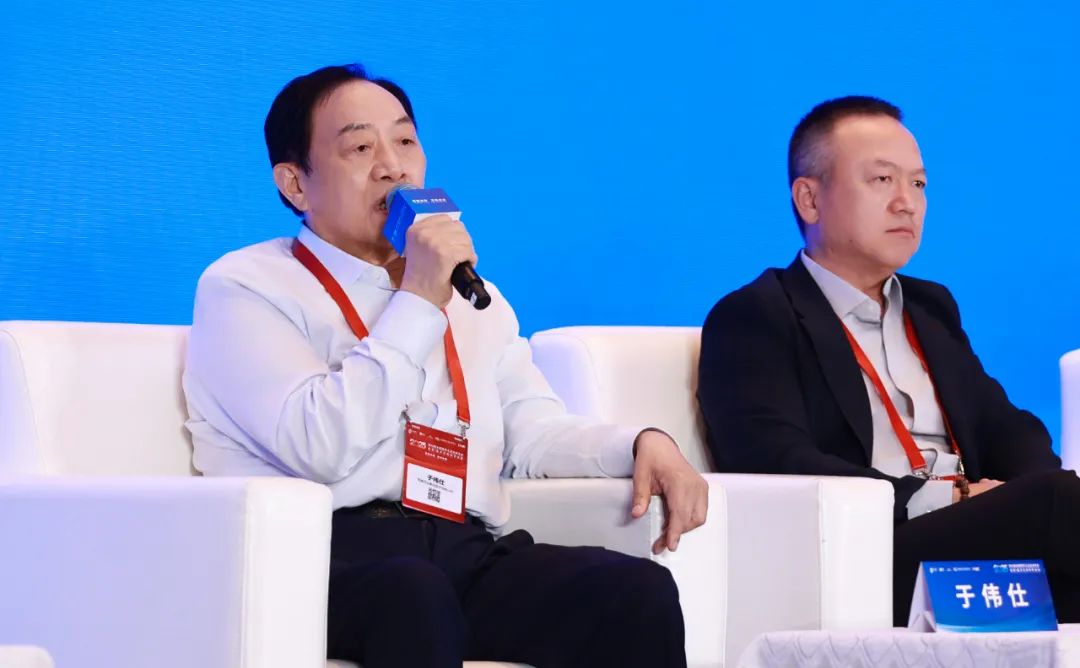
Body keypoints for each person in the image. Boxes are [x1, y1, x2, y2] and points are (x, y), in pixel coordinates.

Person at [183, 63, 708, 668]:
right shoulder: (246, 287)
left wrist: (640, 443)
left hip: (461, 546)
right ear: (296, 184)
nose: (393, 166)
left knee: (633, 593)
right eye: (360, 147)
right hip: (323, 557)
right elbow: (317, 446)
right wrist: (418, 299)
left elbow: (533, 431)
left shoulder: (474, 297)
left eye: (405, 141)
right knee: (414, 595)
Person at [697, 95, 1080, 625]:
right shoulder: (755, 315)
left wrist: (1022, 497)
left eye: (918, 184)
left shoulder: (930, 307)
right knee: (1057, 504)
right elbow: (776, 459)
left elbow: (1009, 428)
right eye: (882, 180)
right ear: (810, 199)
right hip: (872, 550)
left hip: (979, 539)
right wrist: (951, 499)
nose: (908, 203)